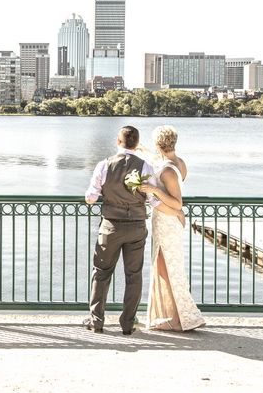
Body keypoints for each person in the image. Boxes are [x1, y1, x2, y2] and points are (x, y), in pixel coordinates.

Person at [83, 125, 155, 335]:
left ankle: (96, 321)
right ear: (137, 143)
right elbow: (152, 197)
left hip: (111, 227)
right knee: (134, 276)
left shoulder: (104, 165)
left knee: (101, 273)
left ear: (118, 142)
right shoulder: (146, 166)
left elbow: (90, 198)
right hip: (136, 226)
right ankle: (127, 323)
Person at [136, 125, 205, 332]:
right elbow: (158, 159)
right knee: (166, 267)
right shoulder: (179, 163)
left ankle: (180, 317)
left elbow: (177, 203)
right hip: (167, 220)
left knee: (168, 268)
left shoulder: (167, 171)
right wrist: (141, 149)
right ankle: (170, 315)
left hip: (167, 220)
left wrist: (153, 190)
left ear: (159, 144)